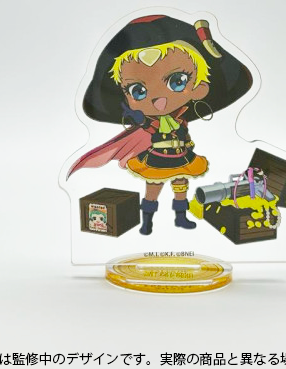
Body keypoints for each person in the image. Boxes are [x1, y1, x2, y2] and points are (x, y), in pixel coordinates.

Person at [68, 15, 253, 235]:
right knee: (153, 189)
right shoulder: (150, 121)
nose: (159, 99)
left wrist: (187, 143)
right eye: (138, 91)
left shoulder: (181, 117)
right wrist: (137, 118)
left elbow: (182, 132)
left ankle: (181, 217)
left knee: (181, 187)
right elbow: (145, 126)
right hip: (157, 158)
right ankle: (147, 221)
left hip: (182, 156)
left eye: (178, 81)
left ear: (199, 88)